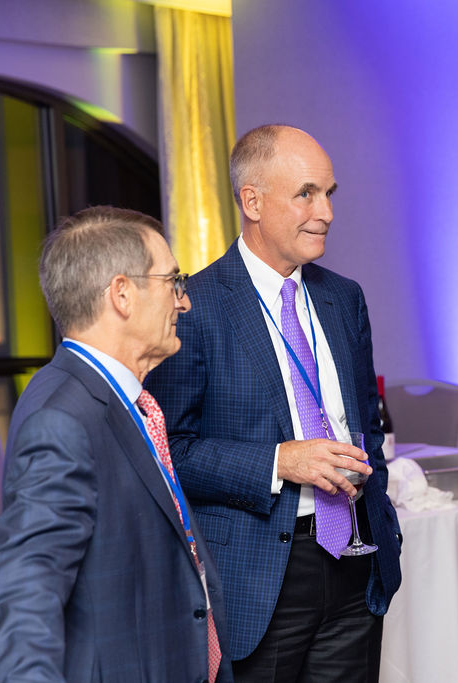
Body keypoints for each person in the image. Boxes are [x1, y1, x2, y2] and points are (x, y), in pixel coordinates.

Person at [144, 124, 402, 682]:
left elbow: (366, 422)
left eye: (329, 193)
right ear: (253, 201)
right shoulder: (194, 307)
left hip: (354, 559)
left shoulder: (344, 298)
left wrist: (381, 521)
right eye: (306, 194)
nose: (326, 212)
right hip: (259, 574)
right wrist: (279, 461)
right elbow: (170, 452)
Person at [0, 206, 229, 682]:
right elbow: (22, 588)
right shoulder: (62, 418)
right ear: (122, 294)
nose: (184, 302)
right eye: (173, 281)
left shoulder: (117, 396)